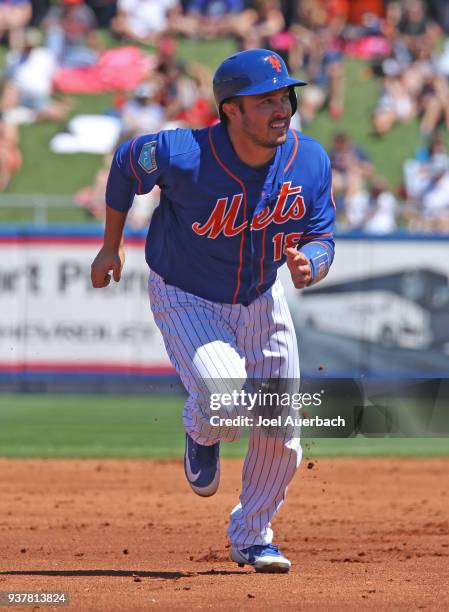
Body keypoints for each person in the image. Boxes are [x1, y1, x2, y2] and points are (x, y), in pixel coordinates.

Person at [91, 48, 335, 573]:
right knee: (227, 403)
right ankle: (201, 430)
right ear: (230, 110)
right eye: (265, 99)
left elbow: (321, 235)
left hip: (262, 298)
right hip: (186, 294)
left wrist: (312, 263)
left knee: (280, 424)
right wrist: (111, 245)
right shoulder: (182, 152)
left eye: (285, 97)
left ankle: (252, 535)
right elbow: (124, 164)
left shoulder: (310, 160)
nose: (281, 109)